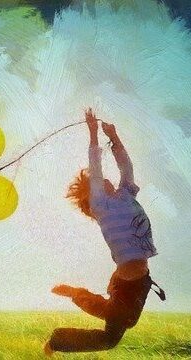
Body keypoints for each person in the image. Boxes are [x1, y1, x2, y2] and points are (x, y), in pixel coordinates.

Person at [44, 109, 165, 356]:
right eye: (97, 184)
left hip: (135, 279)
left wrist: (115, 137)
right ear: (93, 195)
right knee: (114, 334)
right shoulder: (102, 206)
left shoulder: (126, 193)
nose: (104, 180)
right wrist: (93, 133)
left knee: (114, 331)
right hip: (130, 280)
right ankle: (73, 301)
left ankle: (65, 322)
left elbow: (126, 167)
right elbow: (95, 167)